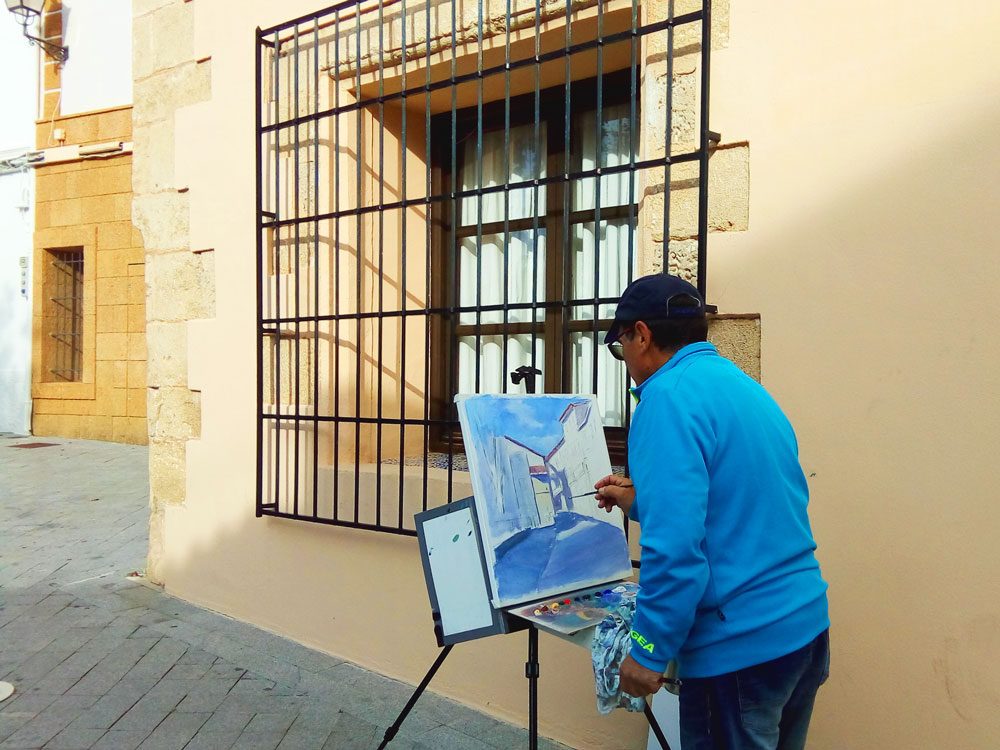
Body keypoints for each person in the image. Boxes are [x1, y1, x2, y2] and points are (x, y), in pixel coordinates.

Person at [594, 273, 830, 750]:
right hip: (803, 628)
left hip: (739, 651)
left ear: (641, 334)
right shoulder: (740, 386)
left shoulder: (665, 398)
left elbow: (676, 550)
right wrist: (639, 501)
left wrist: (647, 651)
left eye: (620, 348)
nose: (627, 364)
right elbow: (741, 505)